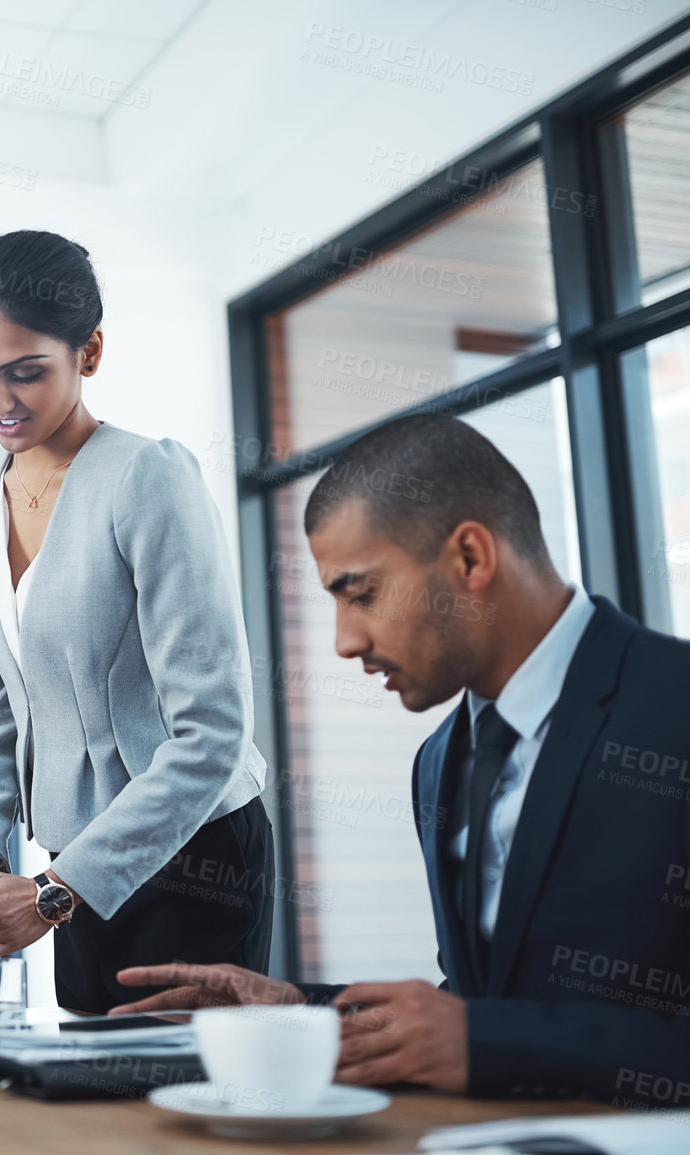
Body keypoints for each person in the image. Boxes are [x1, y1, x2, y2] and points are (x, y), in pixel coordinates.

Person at [115, 414, 690, 1103]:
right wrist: (300, 1012)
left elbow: (489, 1033)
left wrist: (487, 1042)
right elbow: (482, 1002)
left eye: (361, 594)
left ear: (471, 558)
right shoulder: (439, 759)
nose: (343, 642)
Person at [0, 231, 273, 1013]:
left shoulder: (145, 479)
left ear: (87, 353)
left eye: (25, 372)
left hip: (192, 853)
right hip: (60, 862)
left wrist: (47, 896)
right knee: (89, 1097)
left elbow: (211, 734)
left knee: (174, 1112)